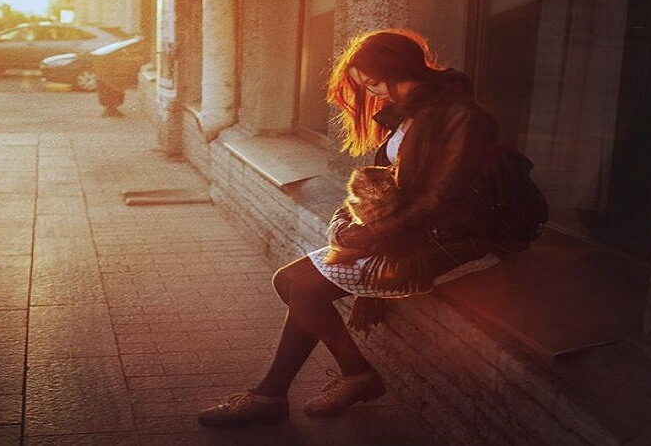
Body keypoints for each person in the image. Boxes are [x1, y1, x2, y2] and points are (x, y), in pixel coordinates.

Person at [197, 28, 501, 427]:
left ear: (398, 69)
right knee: (288, 282)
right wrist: (347, 218)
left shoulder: (463, 117)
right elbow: (385, 182)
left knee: (303, 288)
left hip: (446, 238)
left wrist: (367, 235)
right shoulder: (408, 112)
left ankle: (283, 393)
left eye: (373, 82)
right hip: (403, 230)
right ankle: (345, 377)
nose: (372, 93)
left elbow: (440, 199)